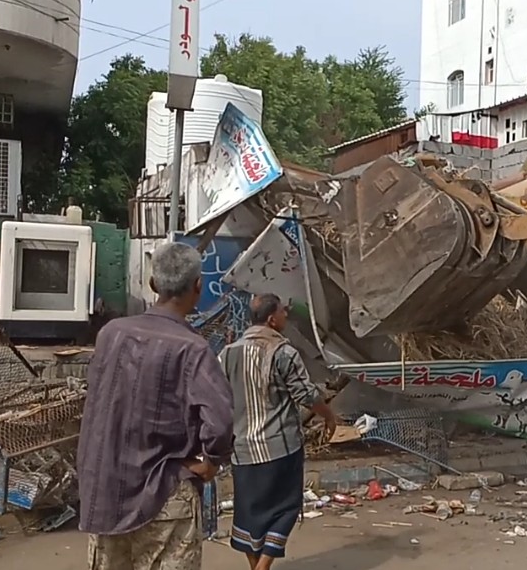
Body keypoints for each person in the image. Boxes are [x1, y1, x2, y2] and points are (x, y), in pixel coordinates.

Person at [77, 242, 234, 570]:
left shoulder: (110, 335)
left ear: (152, 285)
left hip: (105, 494)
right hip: (164, 495)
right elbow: (219, 424)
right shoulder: (193, 349)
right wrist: (213, 462)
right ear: (198, 287)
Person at [219, 293, 339, 570]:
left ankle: (256, 567)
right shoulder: (283, 352)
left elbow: (218, 396)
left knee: (250, 515)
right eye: (284, 312)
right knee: (285, 509)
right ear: (272, 319)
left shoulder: (227, 354)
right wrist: (329, 416)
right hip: (280, 448)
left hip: (243, 450)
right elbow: (306, 394)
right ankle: (263, 567)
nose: (287, 314)